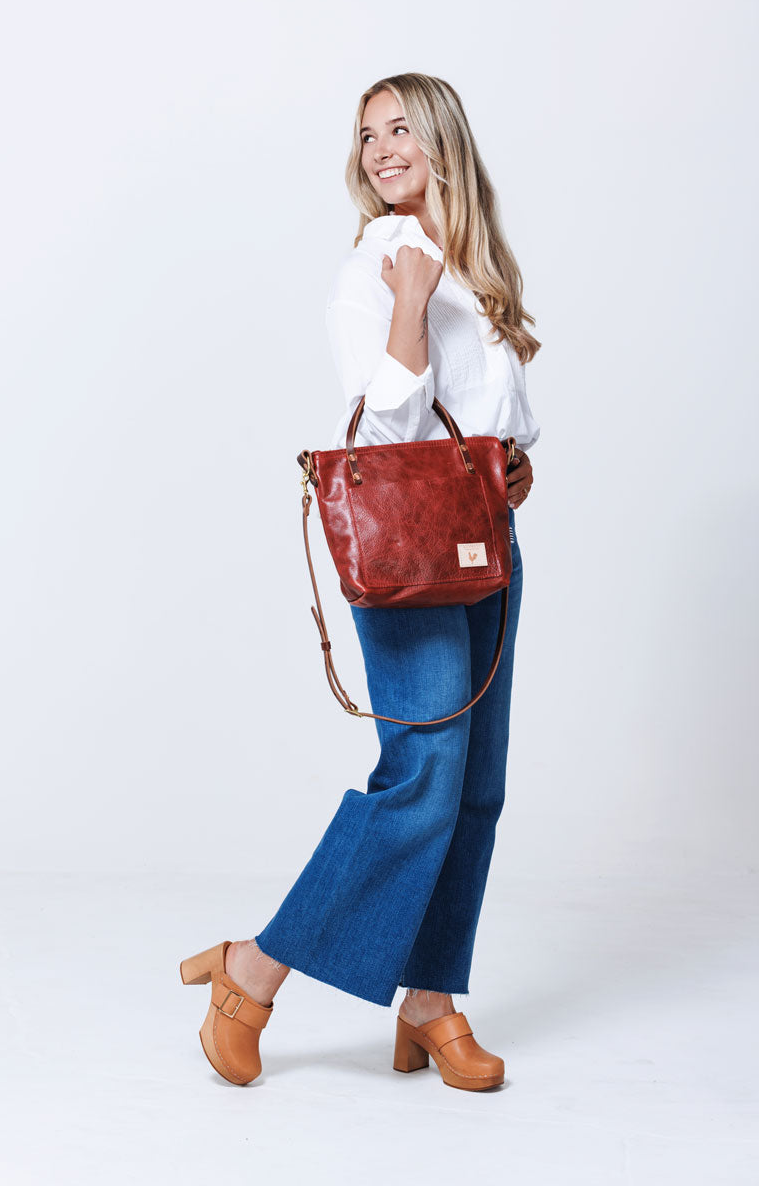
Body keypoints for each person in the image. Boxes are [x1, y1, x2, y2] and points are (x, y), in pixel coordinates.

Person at [179, 72, 540, 1091]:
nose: (380, 150)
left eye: (399, 131)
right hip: (409, 552)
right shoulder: (375, 268)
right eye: (366, 135)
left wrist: (520, 462)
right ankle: (249, 972)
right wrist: (411, 307)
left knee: (474, 791)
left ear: (440, 143)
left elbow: (503, 411)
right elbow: (384, 430)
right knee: (419, 782)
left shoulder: (473, 261)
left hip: (488, 541)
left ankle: (427, 1003)